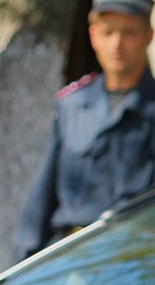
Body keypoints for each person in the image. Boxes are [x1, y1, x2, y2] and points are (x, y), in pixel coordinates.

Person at [14, 0, 155, 260]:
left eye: (128, 32)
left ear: (148, 36)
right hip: (73, 262)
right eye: (108, 32)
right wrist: (14, 277)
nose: (117, 44)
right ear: (93, 36)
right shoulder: (72, 106)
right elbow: (42, 203)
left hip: (137, 265)